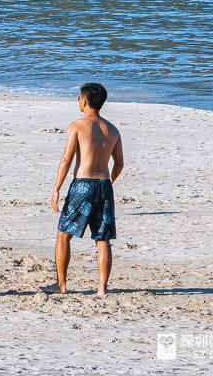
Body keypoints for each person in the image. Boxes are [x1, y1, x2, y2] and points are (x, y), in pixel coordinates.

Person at [47, 82, 124, 296]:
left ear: (84, 101)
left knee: (64, 235)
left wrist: (56, 189)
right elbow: (119, 164)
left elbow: (66, 159)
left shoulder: (77, 126)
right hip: (104, 185)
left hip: (82, 184)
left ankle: (61, 285)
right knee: (102, 238)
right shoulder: (113, 130)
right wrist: (110, 182)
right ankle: (102, 288)